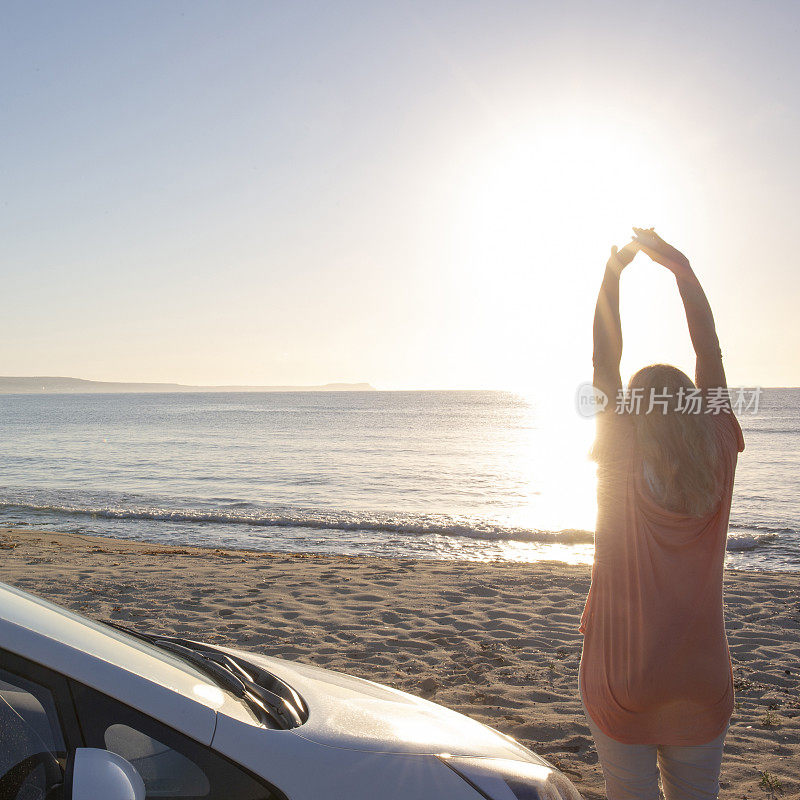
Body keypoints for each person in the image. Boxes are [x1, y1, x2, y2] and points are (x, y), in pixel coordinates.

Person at [578, 228, 745, 800]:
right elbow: (709, 354)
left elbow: (605, 356)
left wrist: (614, 273)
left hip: (626, 677)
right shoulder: (720, 450)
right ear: (696, 409)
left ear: (631, 410)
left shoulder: (619, 450)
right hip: (703, 678)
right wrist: (681, 269)